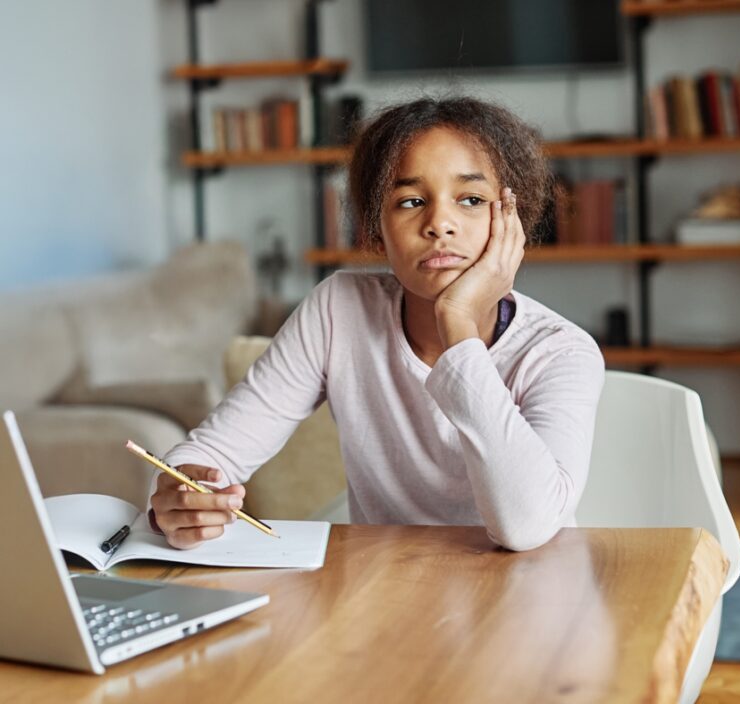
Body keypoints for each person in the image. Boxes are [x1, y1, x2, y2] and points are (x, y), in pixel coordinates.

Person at [152, 96, 605, 552]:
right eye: (410, 201)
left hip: (531, 594)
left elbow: (526, 528)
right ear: (376, 228)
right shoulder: (339, 310)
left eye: (470, 199)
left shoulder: (562, 351)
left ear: (512, 221)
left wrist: (457, 322)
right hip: (386, 587)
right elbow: (210, 455)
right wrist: (182, 494)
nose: (439, 223)